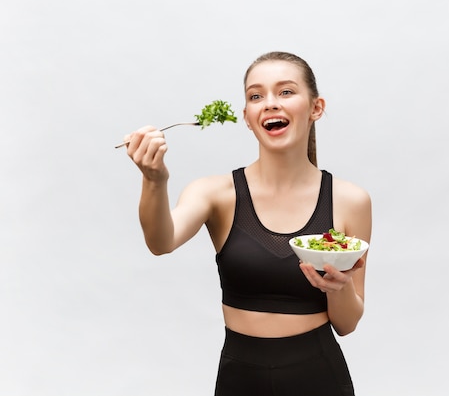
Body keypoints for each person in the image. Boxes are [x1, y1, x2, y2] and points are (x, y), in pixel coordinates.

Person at [123, 51, 372, 396]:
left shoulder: (349, 200)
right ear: (247, 116)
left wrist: (339, 287)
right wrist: (154, 180)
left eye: (286, 92)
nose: (270, 103)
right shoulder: (215, 193)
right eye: (256, 96)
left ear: (316, 108)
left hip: (319, 376)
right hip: (239, 379)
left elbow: (347, 324)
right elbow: (160, 241)